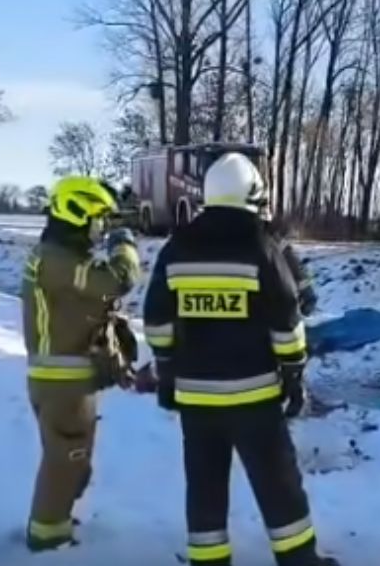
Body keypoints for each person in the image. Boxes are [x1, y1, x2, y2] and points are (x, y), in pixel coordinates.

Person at [144, 152, 336, 566]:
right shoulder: (262, 248)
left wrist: (166, 371)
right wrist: (293, 374)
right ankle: (299, 561)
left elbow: (156, 318)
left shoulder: (178, 247)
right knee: (277, 484)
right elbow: (286, 321)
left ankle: (209, 560)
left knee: (205, 486)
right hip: (254, 396)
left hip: (196, 399)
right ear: (253, 194)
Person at [22, 176, 141, 551]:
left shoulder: (60, 256)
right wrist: (124, 245)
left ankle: (54, 518)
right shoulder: (58, 261)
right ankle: (48, 534)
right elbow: (117, 281)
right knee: (66, 460)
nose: (102, 226)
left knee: (75, 461)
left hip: (68, 382)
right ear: (78, 214)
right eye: (99, 218)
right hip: (62, 384)